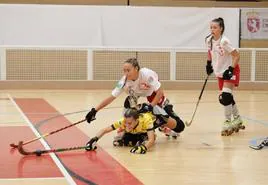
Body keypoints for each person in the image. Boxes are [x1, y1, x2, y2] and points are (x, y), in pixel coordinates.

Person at [85, 57, 185, 137]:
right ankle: (126, 126)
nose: (125, 73)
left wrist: (151, 106)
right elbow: (111, 97)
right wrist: (95, 110)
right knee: (129, 101)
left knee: (179, 126)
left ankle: (162, 125)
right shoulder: (124, 81)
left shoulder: (147, 75)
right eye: (124, 70)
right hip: (136, 94)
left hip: (152, 93)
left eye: (128, 70)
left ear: (136, 68)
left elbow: (160, 92)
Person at [205, 17, 245, 136]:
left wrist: (231, 69)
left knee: (225, 97)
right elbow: (209, 52)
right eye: (211, 27)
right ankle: (237, 118)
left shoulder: (224, 41)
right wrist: (208, 64)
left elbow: (237, 55)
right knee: (226, 98)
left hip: (230, 70)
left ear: (221, 29)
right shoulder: (209, 40)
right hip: (219, 72)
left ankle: (228, 121)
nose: (212, 29)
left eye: (215, 27)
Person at [85, 108, 156, 154]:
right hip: (135, 131)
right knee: (121, 142)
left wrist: (143, 148)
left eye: (129, 123)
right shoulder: (123, 121)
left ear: (136, 120)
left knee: (145, 142)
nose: (126, 125)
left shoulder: (147, 120)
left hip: (147, 129)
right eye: (125, 122)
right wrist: (94, 139)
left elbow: (151, 140)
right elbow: (106, 130)